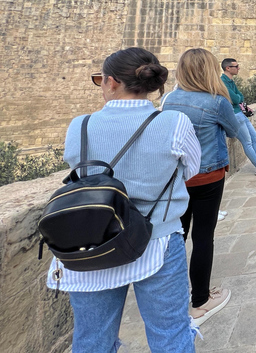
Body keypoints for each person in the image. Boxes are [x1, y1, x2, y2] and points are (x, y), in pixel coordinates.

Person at [47, 47, 201, 352]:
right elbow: (190, 170)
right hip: (155, 240)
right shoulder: (174, 123)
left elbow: (80, 173)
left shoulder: (80, 126)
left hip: (90, 244)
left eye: (99, 80)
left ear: (112, 82)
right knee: (170, 333)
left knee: (92, 339)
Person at [163, 49, 253, 325]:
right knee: (203, 237)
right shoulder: (217, 100)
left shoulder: (168, 100)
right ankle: (200, 299)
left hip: (177, 178)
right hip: (207, 176)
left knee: (177, 235)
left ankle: (173, 297)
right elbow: (232, 131)